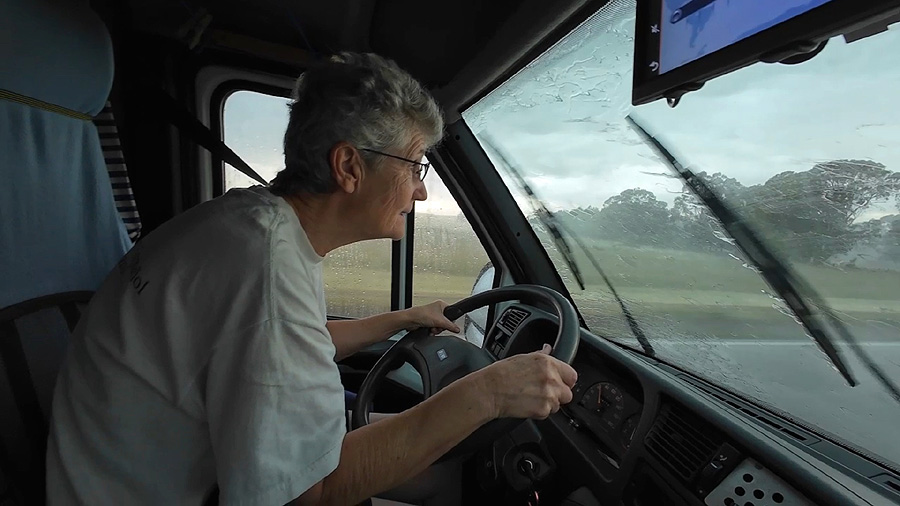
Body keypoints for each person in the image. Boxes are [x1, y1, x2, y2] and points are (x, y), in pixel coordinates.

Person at [45, 52, 577, 505]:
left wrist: (402, 319)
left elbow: (291, 340)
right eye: (415, 164)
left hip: (126, 473)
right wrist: (488, 392)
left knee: (432, 465)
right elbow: (310, 493)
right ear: (349, 167)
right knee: (441, 476)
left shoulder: (248, 223)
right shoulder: (265, 269)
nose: (421, 190)